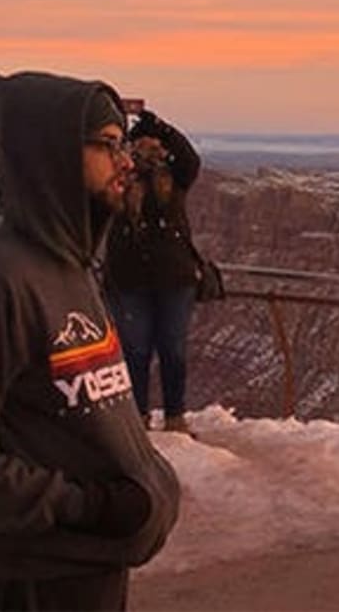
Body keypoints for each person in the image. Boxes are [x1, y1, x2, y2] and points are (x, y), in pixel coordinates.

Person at [0, 71, 182, 610]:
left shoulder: (71, 265)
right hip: (32, 579)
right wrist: (86, 507)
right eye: (106, 144)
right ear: (50, 155)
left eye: (123, 143)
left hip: (86, 565)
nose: (125, 161)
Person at [102, 107, 203, 434]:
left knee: (172, 349)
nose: (148, 147)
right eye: (140, 142)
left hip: (174, 279)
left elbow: (190, 159)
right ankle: (137, 419)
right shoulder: (118, 179)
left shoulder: (174, 177)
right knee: (135, 351)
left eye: (153, 142)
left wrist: (161, 125)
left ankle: (175, 417)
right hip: (129, 280)